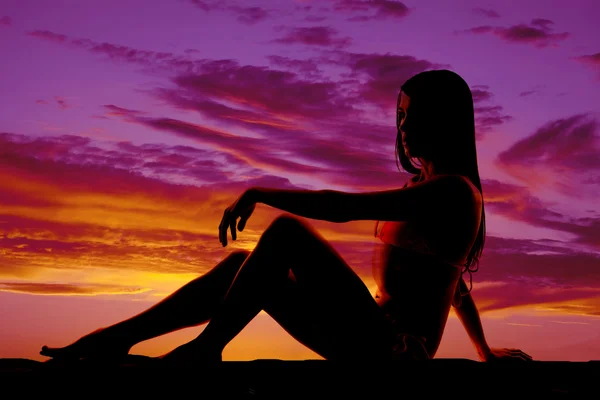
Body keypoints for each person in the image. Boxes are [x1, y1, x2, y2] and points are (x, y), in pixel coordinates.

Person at [40, 69, 532, 364]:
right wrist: (484, 352)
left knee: (287, 233)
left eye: (415, 116)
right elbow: (454, 284)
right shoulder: (422, 187)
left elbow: (344, 209)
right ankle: (113, 340)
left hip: (397, 351)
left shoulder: (453, 191)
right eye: (400, 116)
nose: (404, 128)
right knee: (242, 267)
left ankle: (205, 349)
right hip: (367, 334)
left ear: (444, 122)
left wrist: (261, 192)